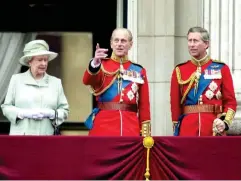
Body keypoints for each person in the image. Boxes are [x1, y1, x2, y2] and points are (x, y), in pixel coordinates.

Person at [82, 28, 151, 137]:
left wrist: (145, 134)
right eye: (116, 40)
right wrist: (95, 63)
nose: (119, 44)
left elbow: (144, 105)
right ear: (111, 44)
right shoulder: (101, 65)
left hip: (130, 127)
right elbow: (87, 81)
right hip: (103, 127)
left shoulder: (139, 70)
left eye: (123, 41)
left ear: (130, 44)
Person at [170, 26, 237, 136]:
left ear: (206, 44)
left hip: (213, 128)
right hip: (188, 129)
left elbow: (230, 101)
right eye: (189, 41)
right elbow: (175, 106)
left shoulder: (221, 68)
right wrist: (177, 129)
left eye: (195, 41)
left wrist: (224, 122)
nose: (191, 44)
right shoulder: (180, 70)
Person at [1, 40, 69, 135]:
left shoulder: (56, 82)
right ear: (30, 61)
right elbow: (6, 107)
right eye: (40, 60)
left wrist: (52, 114)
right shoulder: (16, 80)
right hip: (21, 138)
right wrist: (22, 113)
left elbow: (64, 110)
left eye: (45, 60)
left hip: (46, 138)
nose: (44, 63)